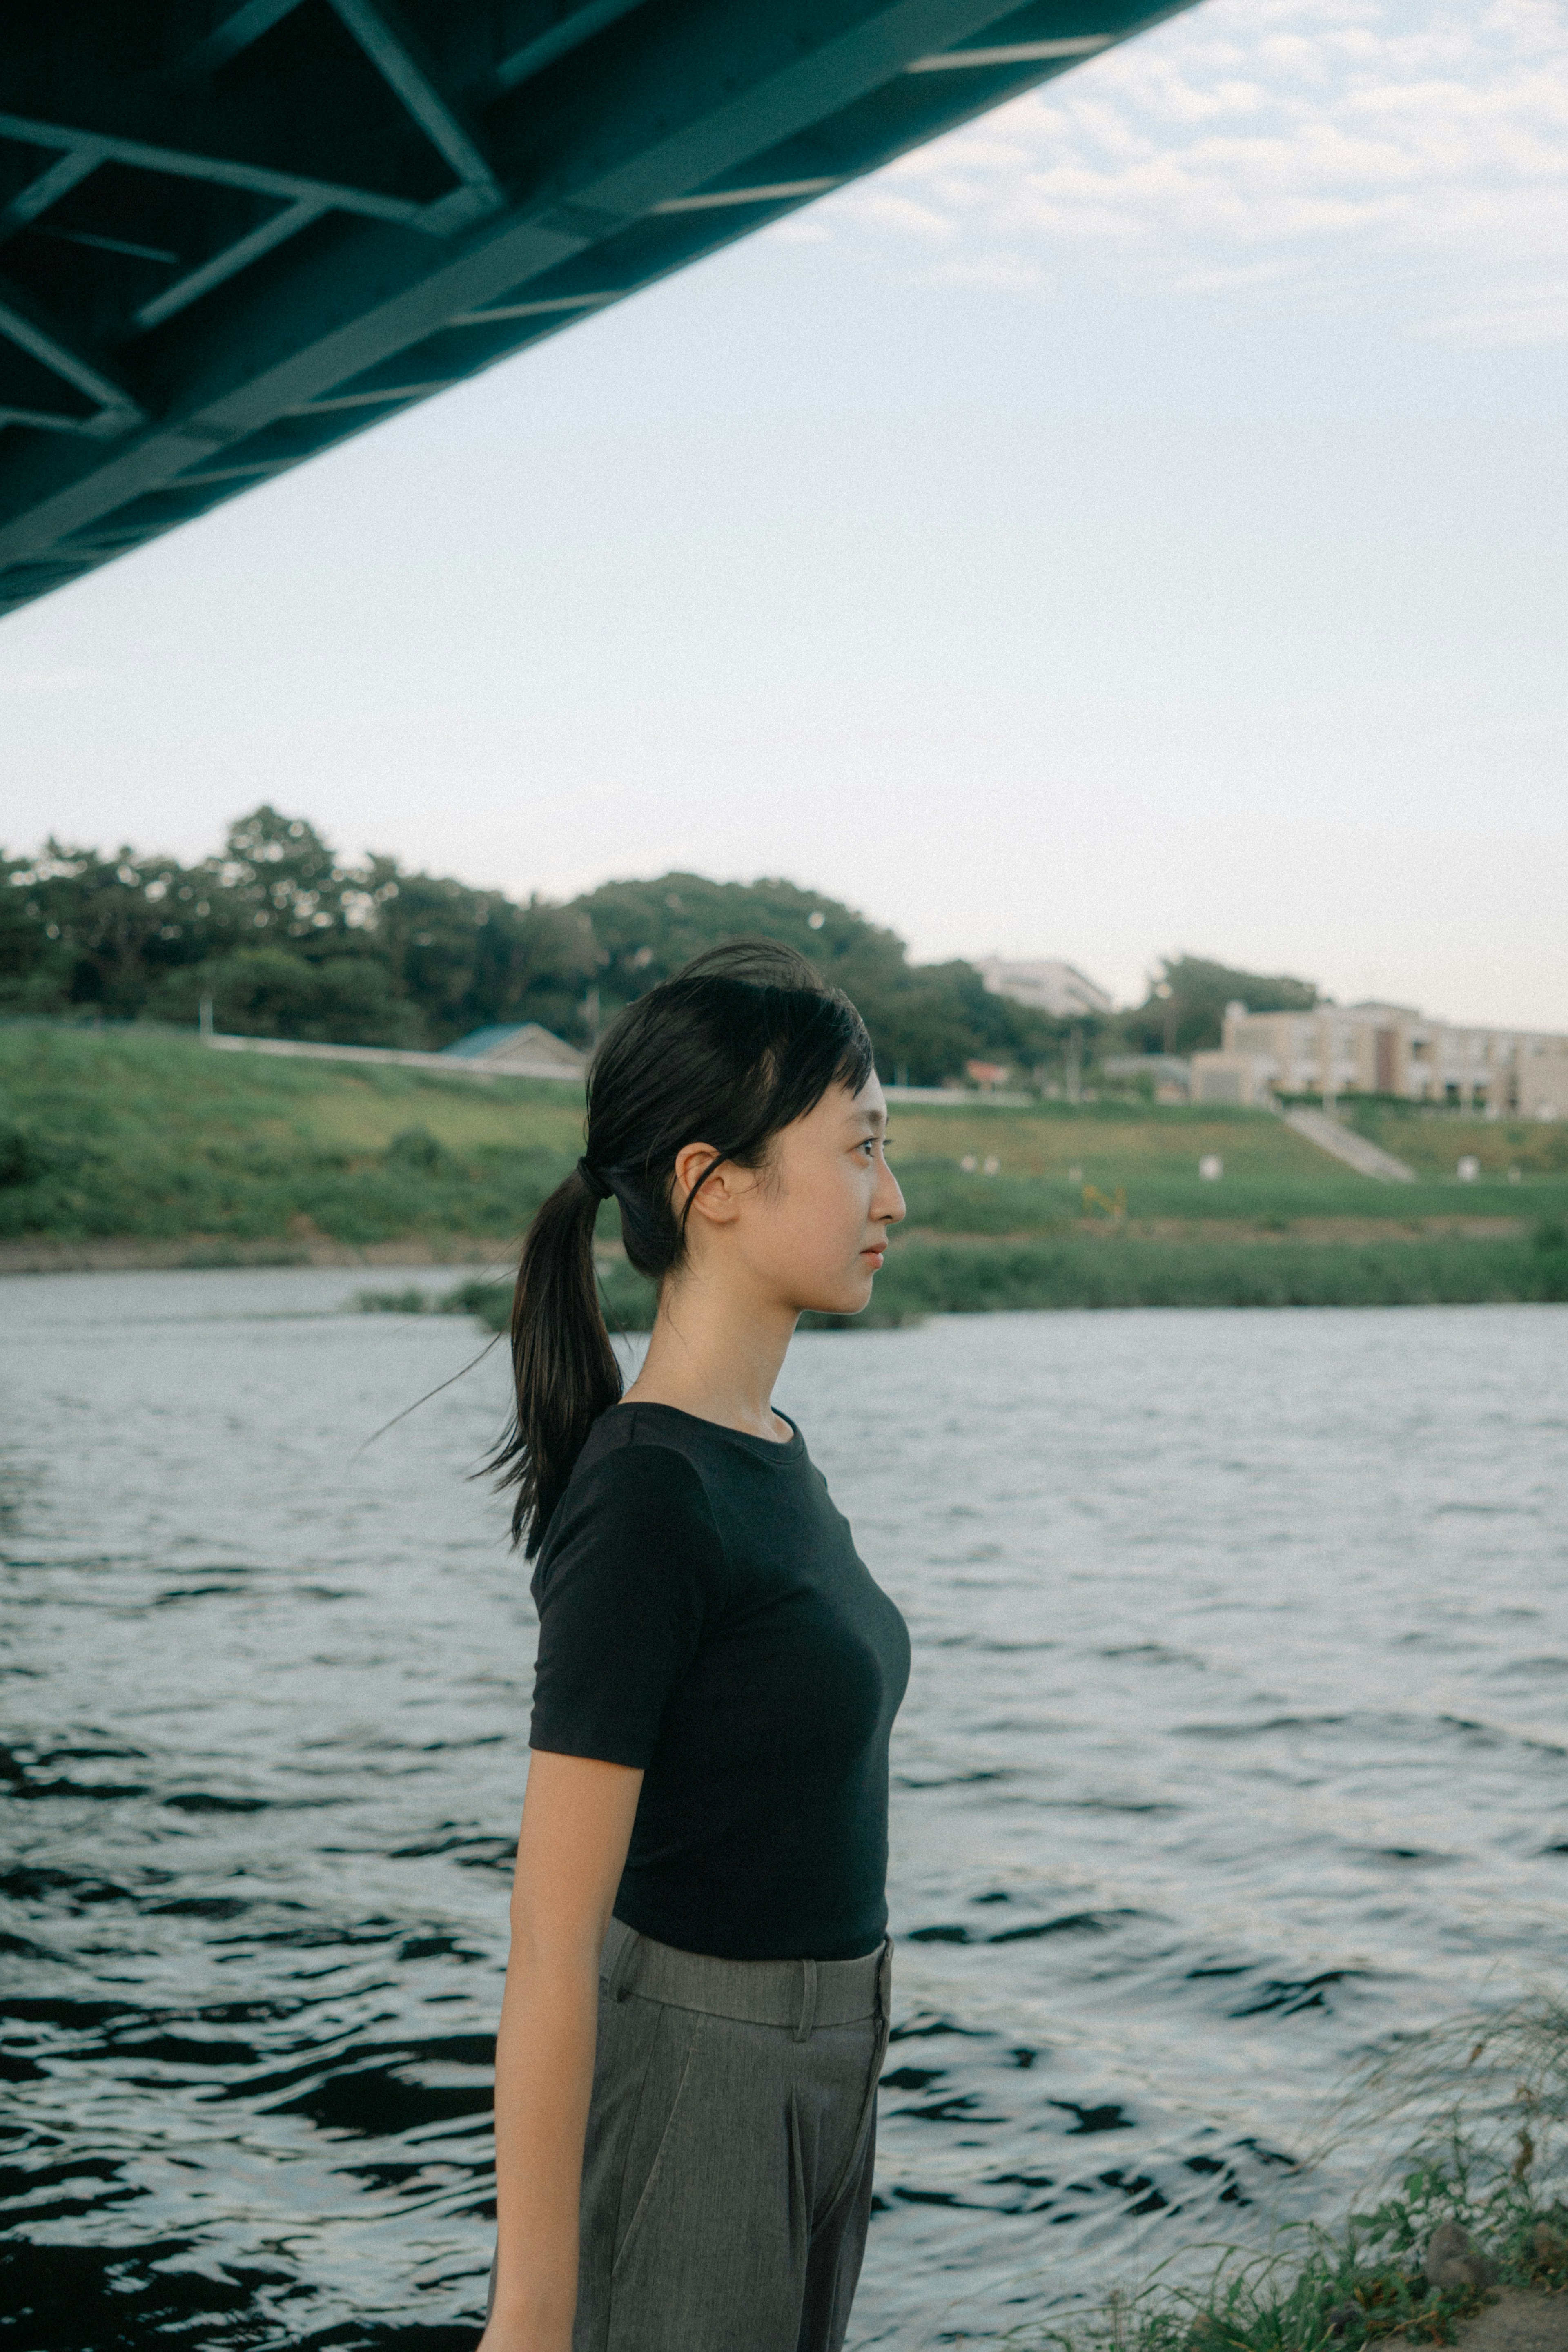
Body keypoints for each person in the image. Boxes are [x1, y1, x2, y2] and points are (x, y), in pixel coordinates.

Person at [477, 941, 910, 2352]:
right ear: (713, 1186)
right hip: (700, 2070)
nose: (890, 1198)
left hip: (835, 2046)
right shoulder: (649, 1494)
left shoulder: (767, 1454)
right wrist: (533, 2308)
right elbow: (551, 1937)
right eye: (859, 1150)